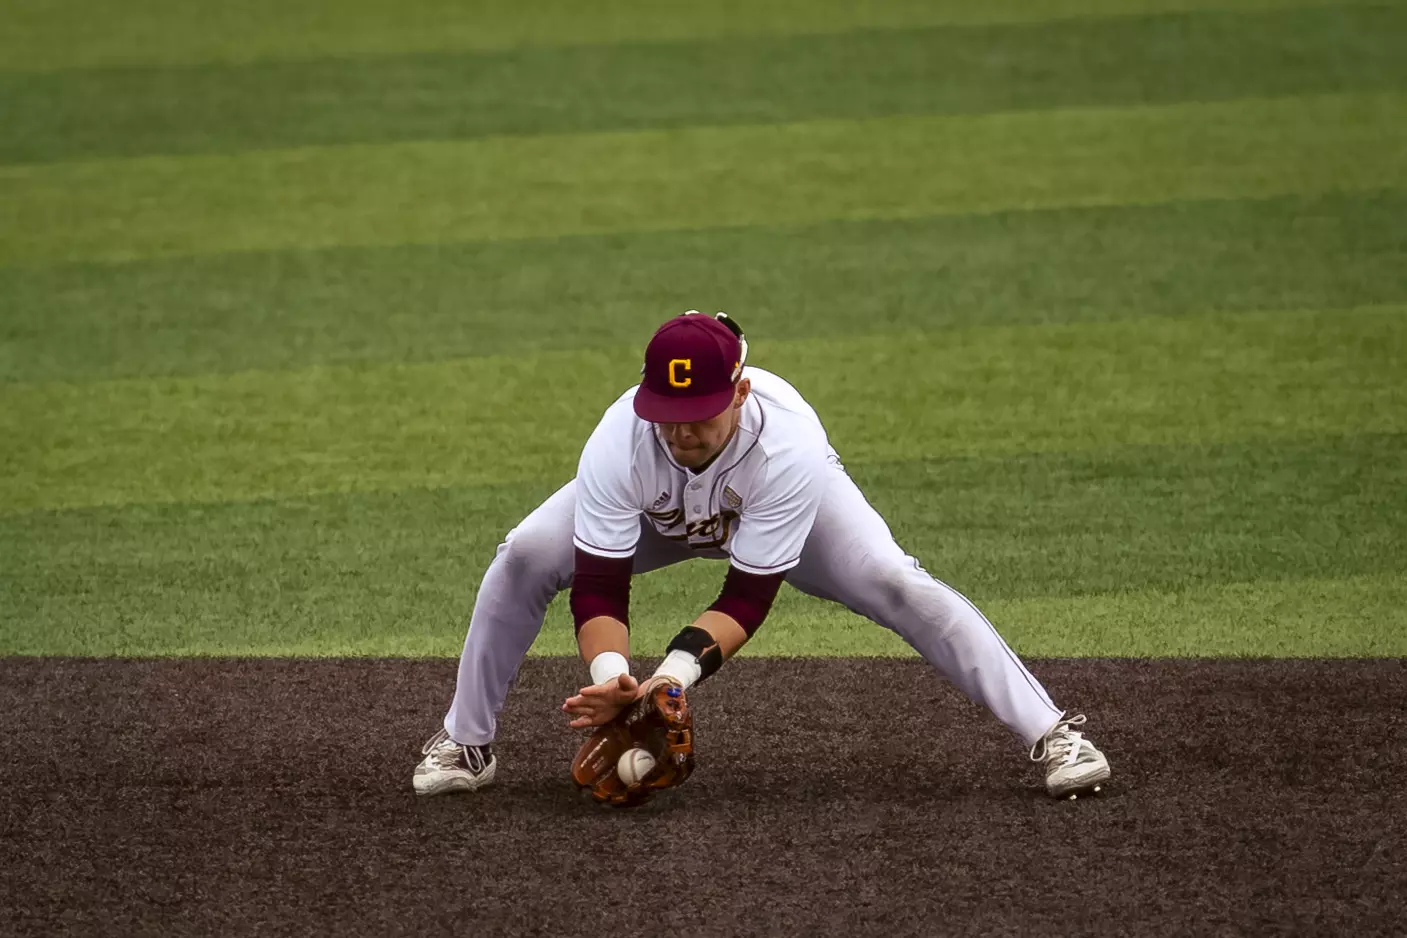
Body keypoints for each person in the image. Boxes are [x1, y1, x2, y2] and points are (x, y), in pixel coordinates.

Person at [414, 311, 1111, 799]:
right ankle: (465, 743)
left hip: (780, 511)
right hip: (661, 517)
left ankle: (1051, 733)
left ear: (740, 392)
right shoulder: (618, 437)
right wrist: (616, 676)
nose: (682, 432)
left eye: (701, 414)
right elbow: (599, 585)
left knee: (895, 582)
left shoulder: (788, 445)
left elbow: (746, 596)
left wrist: (671, 679)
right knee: (524, 553)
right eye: (668, 414)